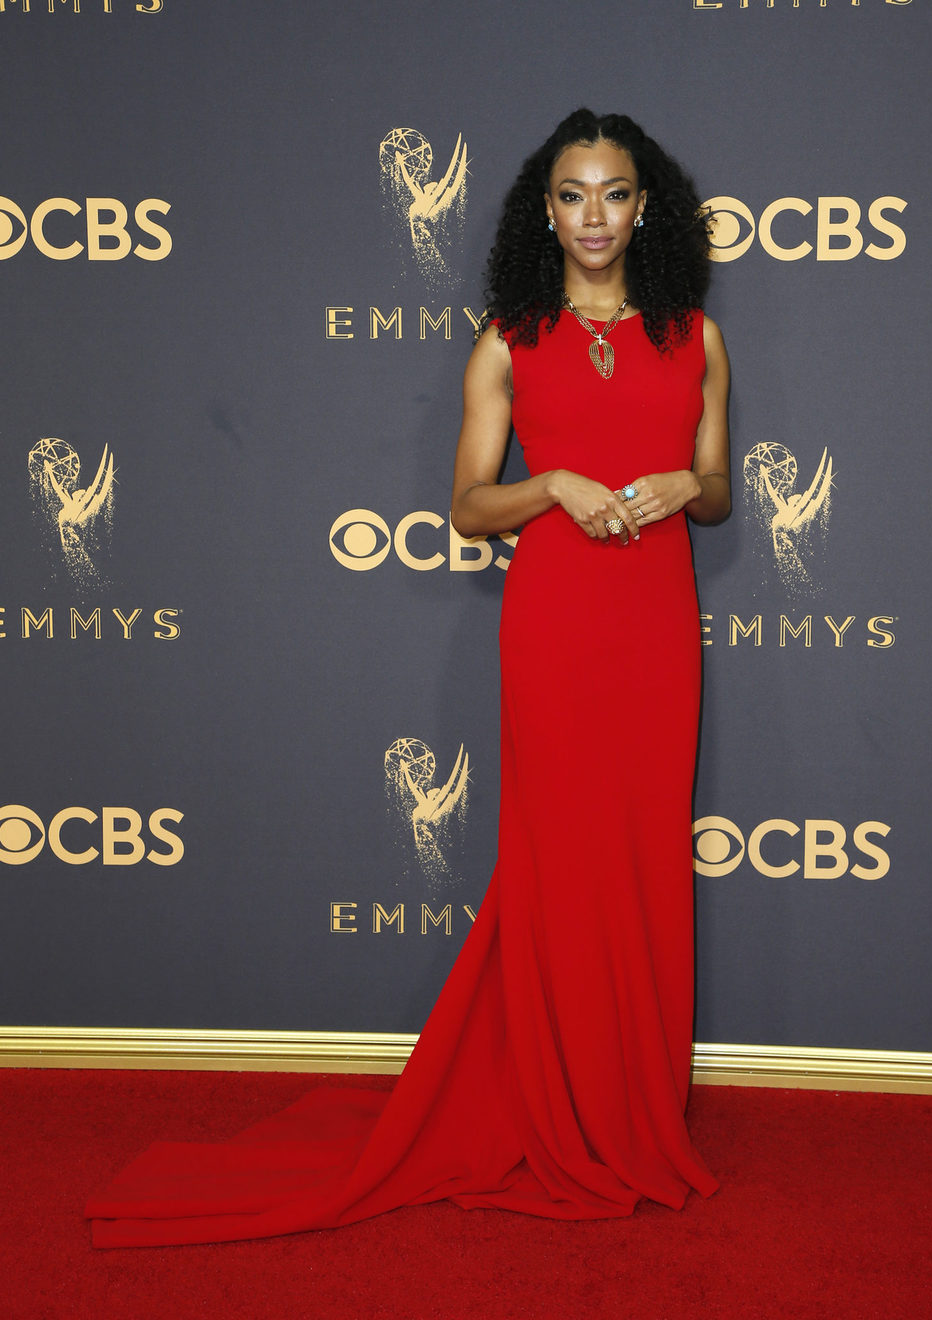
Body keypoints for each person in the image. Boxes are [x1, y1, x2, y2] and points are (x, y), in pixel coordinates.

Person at [85, 108, 727, 1247]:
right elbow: (468, 508)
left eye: (615, 193)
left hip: (656, 630)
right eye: (572, 194)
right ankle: (552, 1102)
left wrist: (684, 486)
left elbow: (718, 488)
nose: (593, 216)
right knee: (557, 861)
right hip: (558, 624)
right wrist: (554, 487)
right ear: (544, 207)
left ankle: (632, 1113)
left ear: (647, 207)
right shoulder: (507, 339)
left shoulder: (696, 337)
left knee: (639, 862)